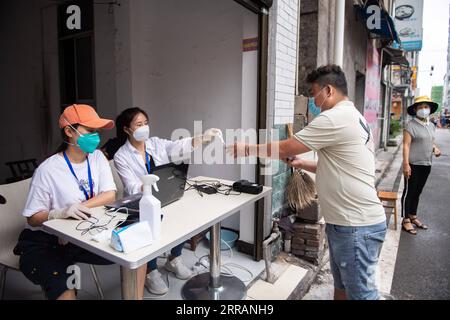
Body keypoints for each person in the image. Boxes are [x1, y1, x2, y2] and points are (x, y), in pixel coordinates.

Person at [227, 65, 387, 300]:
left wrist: (247, 148)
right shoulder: (356, 118)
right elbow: (342, 166)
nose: (313, 100)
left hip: (356, 226)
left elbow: (285, 147)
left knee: (362, 296)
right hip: (347, 223)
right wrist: (303, 164)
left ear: (329, 90)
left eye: (314, 93)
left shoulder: (335, 118)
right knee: (342, 289)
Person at [13, 104, 118, 300]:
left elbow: (110, 194)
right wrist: (58, 213)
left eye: (97, 132)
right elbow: (33, 219)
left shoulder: (97, 158)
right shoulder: (48, 170)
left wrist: (79, 208)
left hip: (84, 234)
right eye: (90, 131)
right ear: (69, 131)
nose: (96, 136)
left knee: (133, 251)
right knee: (65, 286)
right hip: (45, 242)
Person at [113, 107, 222, 295]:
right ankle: (151, 270)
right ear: (126, 129)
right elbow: (130, 187)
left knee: (185, 217)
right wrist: (147, 183)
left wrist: (202, 137)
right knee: (152, 226)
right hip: (142, 202)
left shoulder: (155, 143)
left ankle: (174, 258)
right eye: (139, 124)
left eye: (146, 123)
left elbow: (178, 146)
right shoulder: (121, 156)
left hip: (166, 194)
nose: (144, 128)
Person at [401, 96, 441, 235]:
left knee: (418, 192)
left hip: (426, 164)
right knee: (409, 192)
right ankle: (405, 220)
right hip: (413, 164)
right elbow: (406, 145)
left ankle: (413, 216)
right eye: (420, 107)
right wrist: (406, 164)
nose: (424, 109)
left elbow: (431, 141)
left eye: (426, 107)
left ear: (430, 109)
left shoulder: (431, 125)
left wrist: (435, 148)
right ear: (415, 109)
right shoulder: (410, 125)